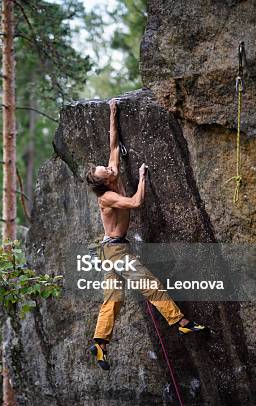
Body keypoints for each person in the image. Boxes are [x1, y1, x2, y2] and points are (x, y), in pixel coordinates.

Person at [84, 99, 206, 371]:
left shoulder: (111, 177)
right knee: (150, 285)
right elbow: (137, 203)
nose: (111, 167)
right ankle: (181, 323)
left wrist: (112, 111)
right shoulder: (109, 197)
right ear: (105, 180)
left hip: (109, 250)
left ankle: (100, 342)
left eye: (109, 167)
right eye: (107, 170)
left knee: (112, 298)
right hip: (115, 251)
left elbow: (113, 144)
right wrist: (141, 178)